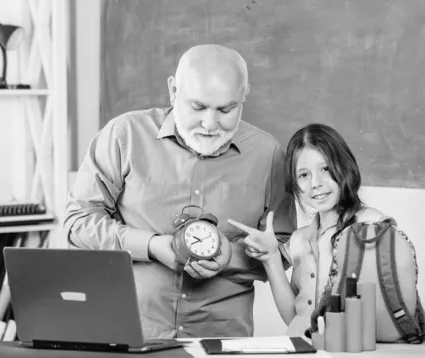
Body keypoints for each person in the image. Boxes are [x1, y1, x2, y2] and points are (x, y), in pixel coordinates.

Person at [64, 44, 294, 339]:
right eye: (197, 107)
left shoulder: (268, 154)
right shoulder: (124, 136)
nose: (210, 124)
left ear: (244, 95)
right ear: (173, 90)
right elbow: (78, 221)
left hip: (222, 340)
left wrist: (230, 256)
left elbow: (283, 245)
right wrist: (151, 246)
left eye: (226, 109)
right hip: (129, 334)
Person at [228, 123, 425, 340]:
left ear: (344, 167)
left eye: (325, 169)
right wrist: (271, 259)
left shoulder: (371, 225)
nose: (315, 183)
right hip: (302, 348)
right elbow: (296, 319)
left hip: (349, 349)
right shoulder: (300, 239)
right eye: (303, 175)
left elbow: (396, 287)